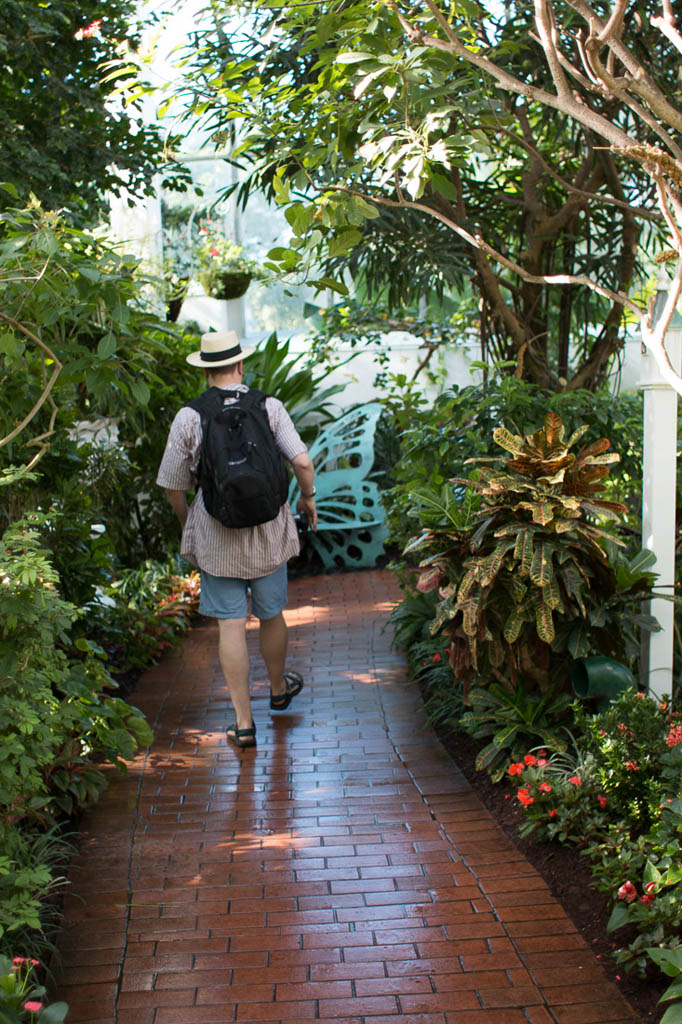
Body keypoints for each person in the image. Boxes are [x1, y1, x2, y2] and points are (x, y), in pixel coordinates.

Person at [156, 330, 318, 749]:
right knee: (271, 614)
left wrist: (185, 518)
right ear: (240, 365)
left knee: (231, 625)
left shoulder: (189, 417)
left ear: (206, 371)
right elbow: (302, 460)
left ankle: (243, 724)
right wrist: (308, 499)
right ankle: (278, 688)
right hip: (268, 531)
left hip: (217, 533)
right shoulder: (269, 407)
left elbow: (173, 483)